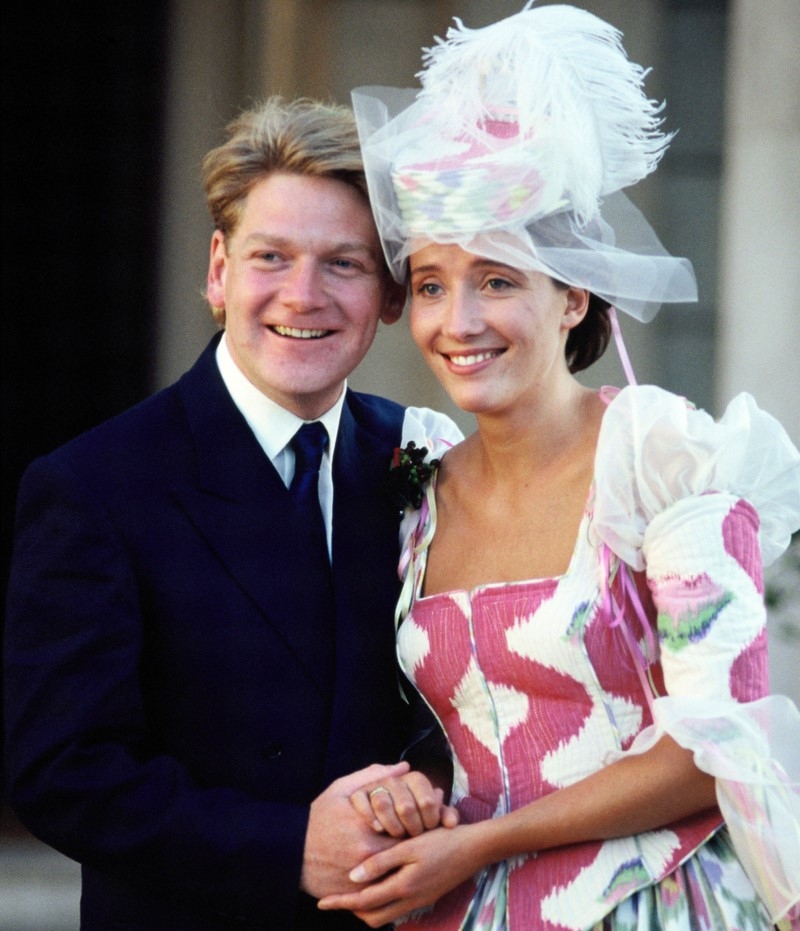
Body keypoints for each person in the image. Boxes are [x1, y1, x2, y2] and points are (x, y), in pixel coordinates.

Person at [316, 4, 800, 929]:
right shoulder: (418, 486)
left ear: (573, 293)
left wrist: (481, 841)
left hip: (656, 899)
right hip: (464, 905)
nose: (457, 321)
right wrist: (407, 803)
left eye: (497, 279)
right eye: (430, 284)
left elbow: (713, 746)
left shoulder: (665, 459)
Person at [3, 96, 463, 930]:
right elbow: (62, 770)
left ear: (390, 293)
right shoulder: (93, 486)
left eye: (345, 264)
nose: (303, 294)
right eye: (270, 256)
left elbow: (459, 697)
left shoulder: (421, 459)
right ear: (218, 269)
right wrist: (290, 845)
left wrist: (423, 791)